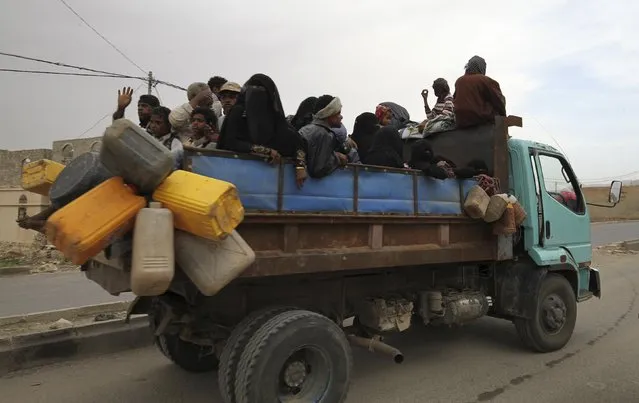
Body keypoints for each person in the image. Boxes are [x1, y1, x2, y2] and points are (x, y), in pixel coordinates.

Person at [217, 73, 308, 188]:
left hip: (270, 187)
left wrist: (300, 166)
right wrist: (265, 151)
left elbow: (297, 141)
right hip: (237, 178)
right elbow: (229, 142)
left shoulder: (275, 119)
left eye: (260, 91)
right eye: (252, 91)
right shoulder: (238, 113)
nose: (256, 95)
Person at [299, 95, 349, 178]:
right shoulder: (324, 134)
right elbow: (319, 169)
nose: (341, 117)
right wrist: (338, 158)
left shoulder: (307, 128)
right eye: (338, 113)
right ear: (329, 113)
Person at [453, 56, 506, 128]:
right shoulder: (485, 80)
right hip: (480, 119)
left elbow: (455, 99)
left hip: (460, 121)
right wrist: (504, 116)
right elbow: (499, 101)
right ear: (481, 67)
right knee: (501, 98)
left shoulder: (459, 81)